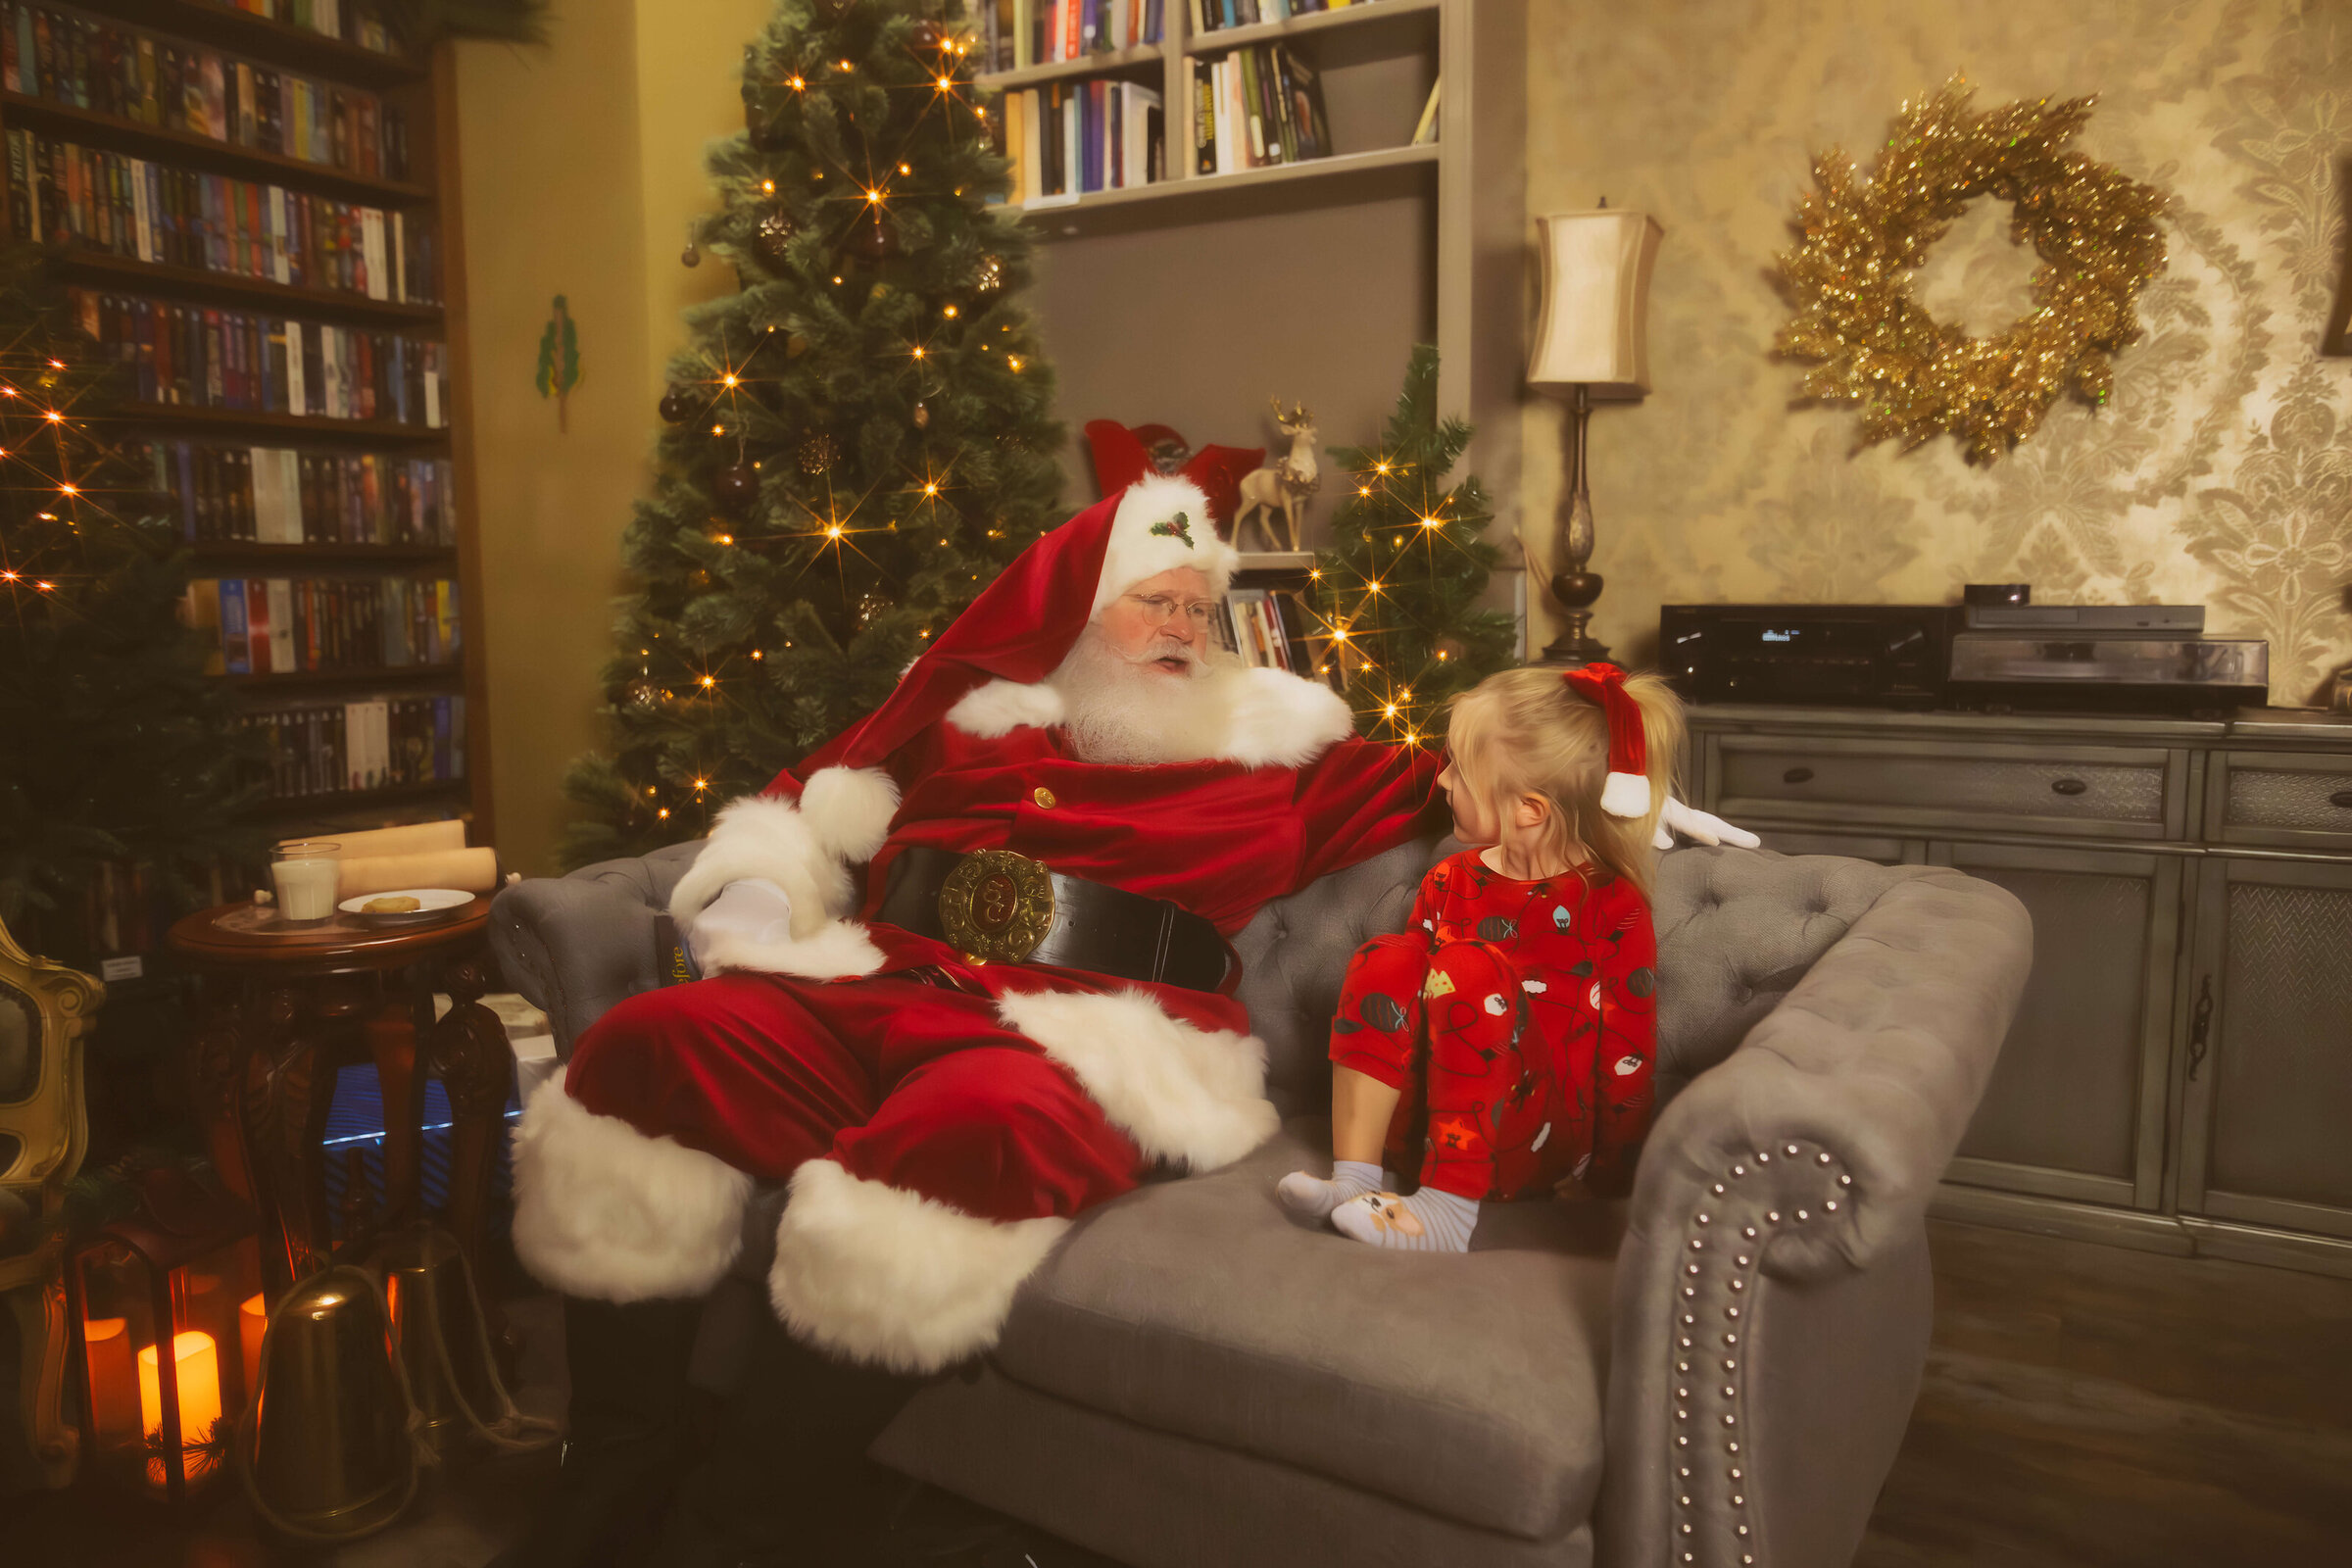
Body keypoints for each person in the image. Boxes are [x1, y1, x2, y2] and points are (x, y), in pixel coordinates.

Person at [500, 478, 1750, 1564]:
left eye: (1202, 609)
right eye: (1156, 600)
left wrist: (1615, 793)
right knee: (643, 1047)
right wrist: (766, 887)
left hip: (1091, 1033)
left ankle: (740, 1525)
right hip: (882, 982)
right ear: (1077, 609)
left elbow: (1492, 763)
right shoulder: (968, 722)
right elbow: (810, 800)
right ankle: (617, 1470)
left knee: (979, 1131)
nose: (1186, 629)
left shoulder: (1277, 757)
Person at [1279, 663, 1685, 1252]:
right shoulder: (1449, 878)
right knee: (1387, 957)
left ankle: (1446, 1216)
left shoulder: (1611, 904)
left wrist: (1611, 1180)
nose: (1441, 781)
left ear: (1529, 809)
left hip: (1532, 1143)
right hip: (1421, 1133)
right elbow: (1401, 1006)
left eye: (1460, 772)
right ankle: (1355, 1179)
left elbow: (1627, 1055)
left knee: (1466, 967)